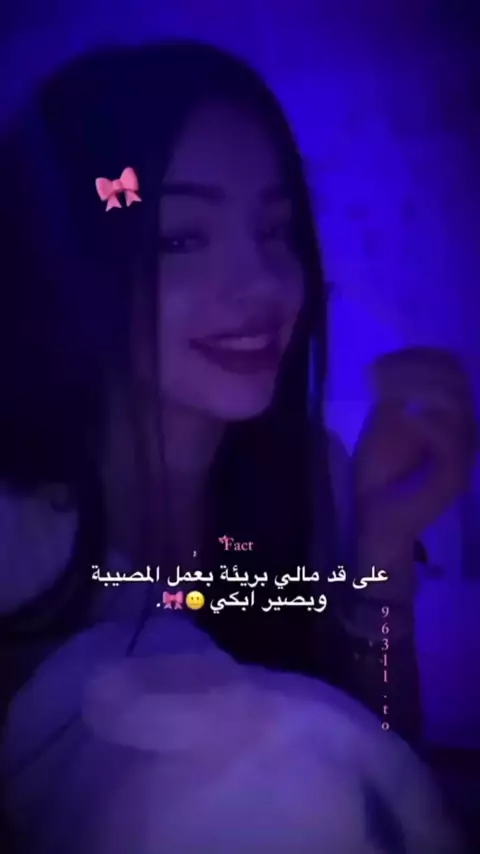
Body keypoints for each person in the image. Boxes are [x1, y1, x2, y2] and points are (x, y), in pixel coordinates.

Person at [0, 40, 475, 853]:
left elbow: (387, 767)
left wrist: (385, 551)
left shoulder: (312, 477)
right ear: (69, 267)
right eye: (182, 237)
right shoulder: (17, 534)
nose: (264, 284)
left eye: (276, 229)